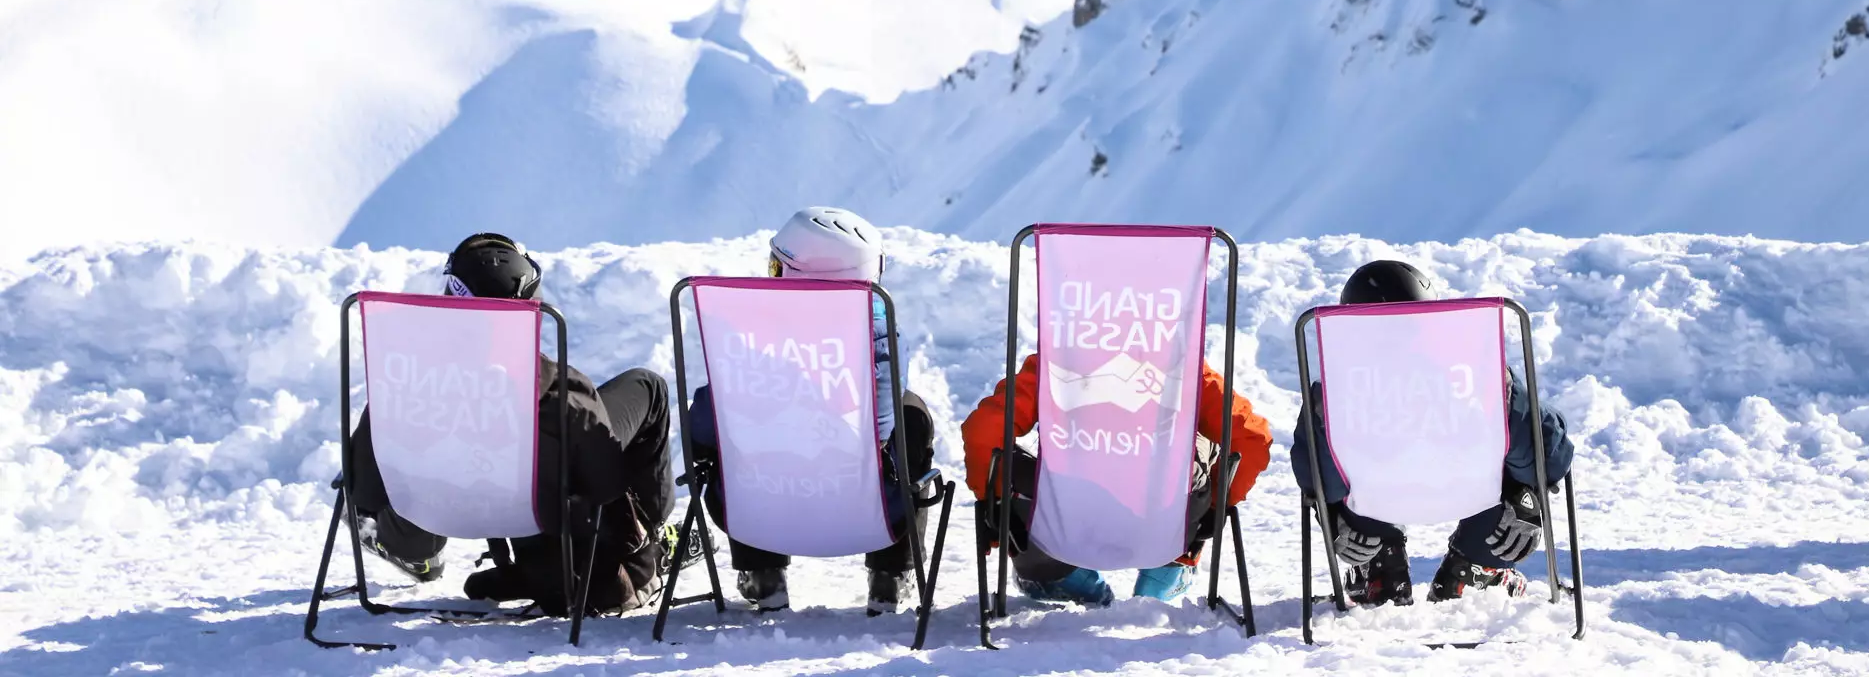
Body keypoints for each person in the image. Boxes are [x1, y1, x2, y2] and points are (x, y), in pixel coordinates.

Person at [346, 232, 677, 617]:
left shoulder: (402, 387)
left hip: (451, 507)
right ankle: (656, 539)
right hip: (540, 510)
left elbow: (364, 492)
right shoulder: (558, 392)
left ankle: (415, 550)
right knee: (647, 387)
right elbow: (605, 484)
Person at [687, 206, 937, 617]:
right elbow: (880, 428)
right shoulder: (882, 334)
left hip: (760, 512)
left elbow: (703, 428)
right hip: (864, 512)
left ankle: (762, 573)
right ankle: (890, 577)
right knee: (912, 414)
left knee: (738, 429)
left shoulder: (748, 334)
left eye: (776, 266)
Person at [1291, 259, 1576, 605]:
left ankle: (1379, 570)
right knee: (1518, 465)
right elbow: (1549, 454)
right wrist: (1525, 496)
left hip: (1372, 516)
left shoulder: (1331, 396)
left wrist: (1333, 518)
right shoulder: (1480, 376)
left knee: (1337, 486)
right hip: (1481, 503)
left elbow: (1319, 481)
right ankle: (1475, 570)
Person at [961, 348, 1273, 606]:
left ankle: (1057, 576)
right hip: (1165, 524)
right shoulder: (1184, 366)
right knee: (1201, 440)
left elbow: (983, 430)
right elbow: (1251, 439)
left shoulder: (1057, 359)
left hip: (1062, 525)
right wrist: (1217, 505)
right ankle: (1165, 573)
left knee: (1004, 459)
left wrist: (996, 504)